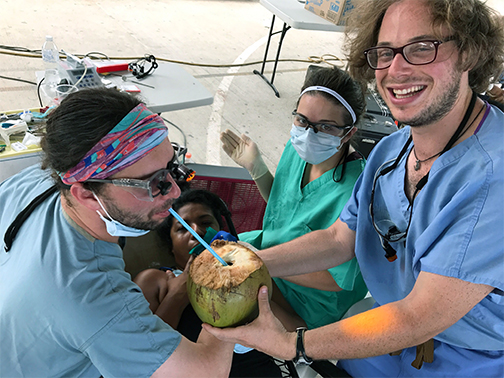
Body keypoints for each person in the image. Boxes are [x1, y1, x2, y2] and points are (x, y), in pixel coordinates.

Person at [204, 0, 504, 377]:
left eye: (422, 48)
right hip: (384, 339)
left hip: (470, 358)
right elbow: (336, 239)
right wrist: (251, 262)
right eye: (384, 52)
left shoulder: (493, 179)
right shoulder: (391, 152)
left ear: (471, 53)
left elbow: (418, 316)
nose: (396, 69)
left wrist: (292, 343)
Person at [0, 88, 235, 377]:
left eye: (171, 168)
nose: (175, 190)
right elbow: (206, 372)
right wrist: (230, 295)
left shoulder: (35, 179)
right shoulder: (93, 294)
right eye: (154, 183)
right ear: (86, 194)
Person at [220, 65, 369, 330]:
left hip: (308, 301)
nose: (309, 134)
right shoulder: (296, 149)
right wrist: (258, 170)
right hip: (268, 259)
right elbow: (285, 209)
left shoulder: (358, 190)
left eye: (326, 127)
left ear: (349, 133)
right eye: (302, 120)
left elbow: (335, 279)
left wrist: (264, 264)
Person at [135, 188, 296, 378]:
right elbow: (140, 358)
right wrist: (178, 296)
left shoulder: (252, 272)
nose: (197, 232)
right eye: (182, 229)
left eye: (205, 223)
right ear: (170, 245)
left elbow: (296, 332)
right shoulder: (156, 281)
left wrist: (254, 296)